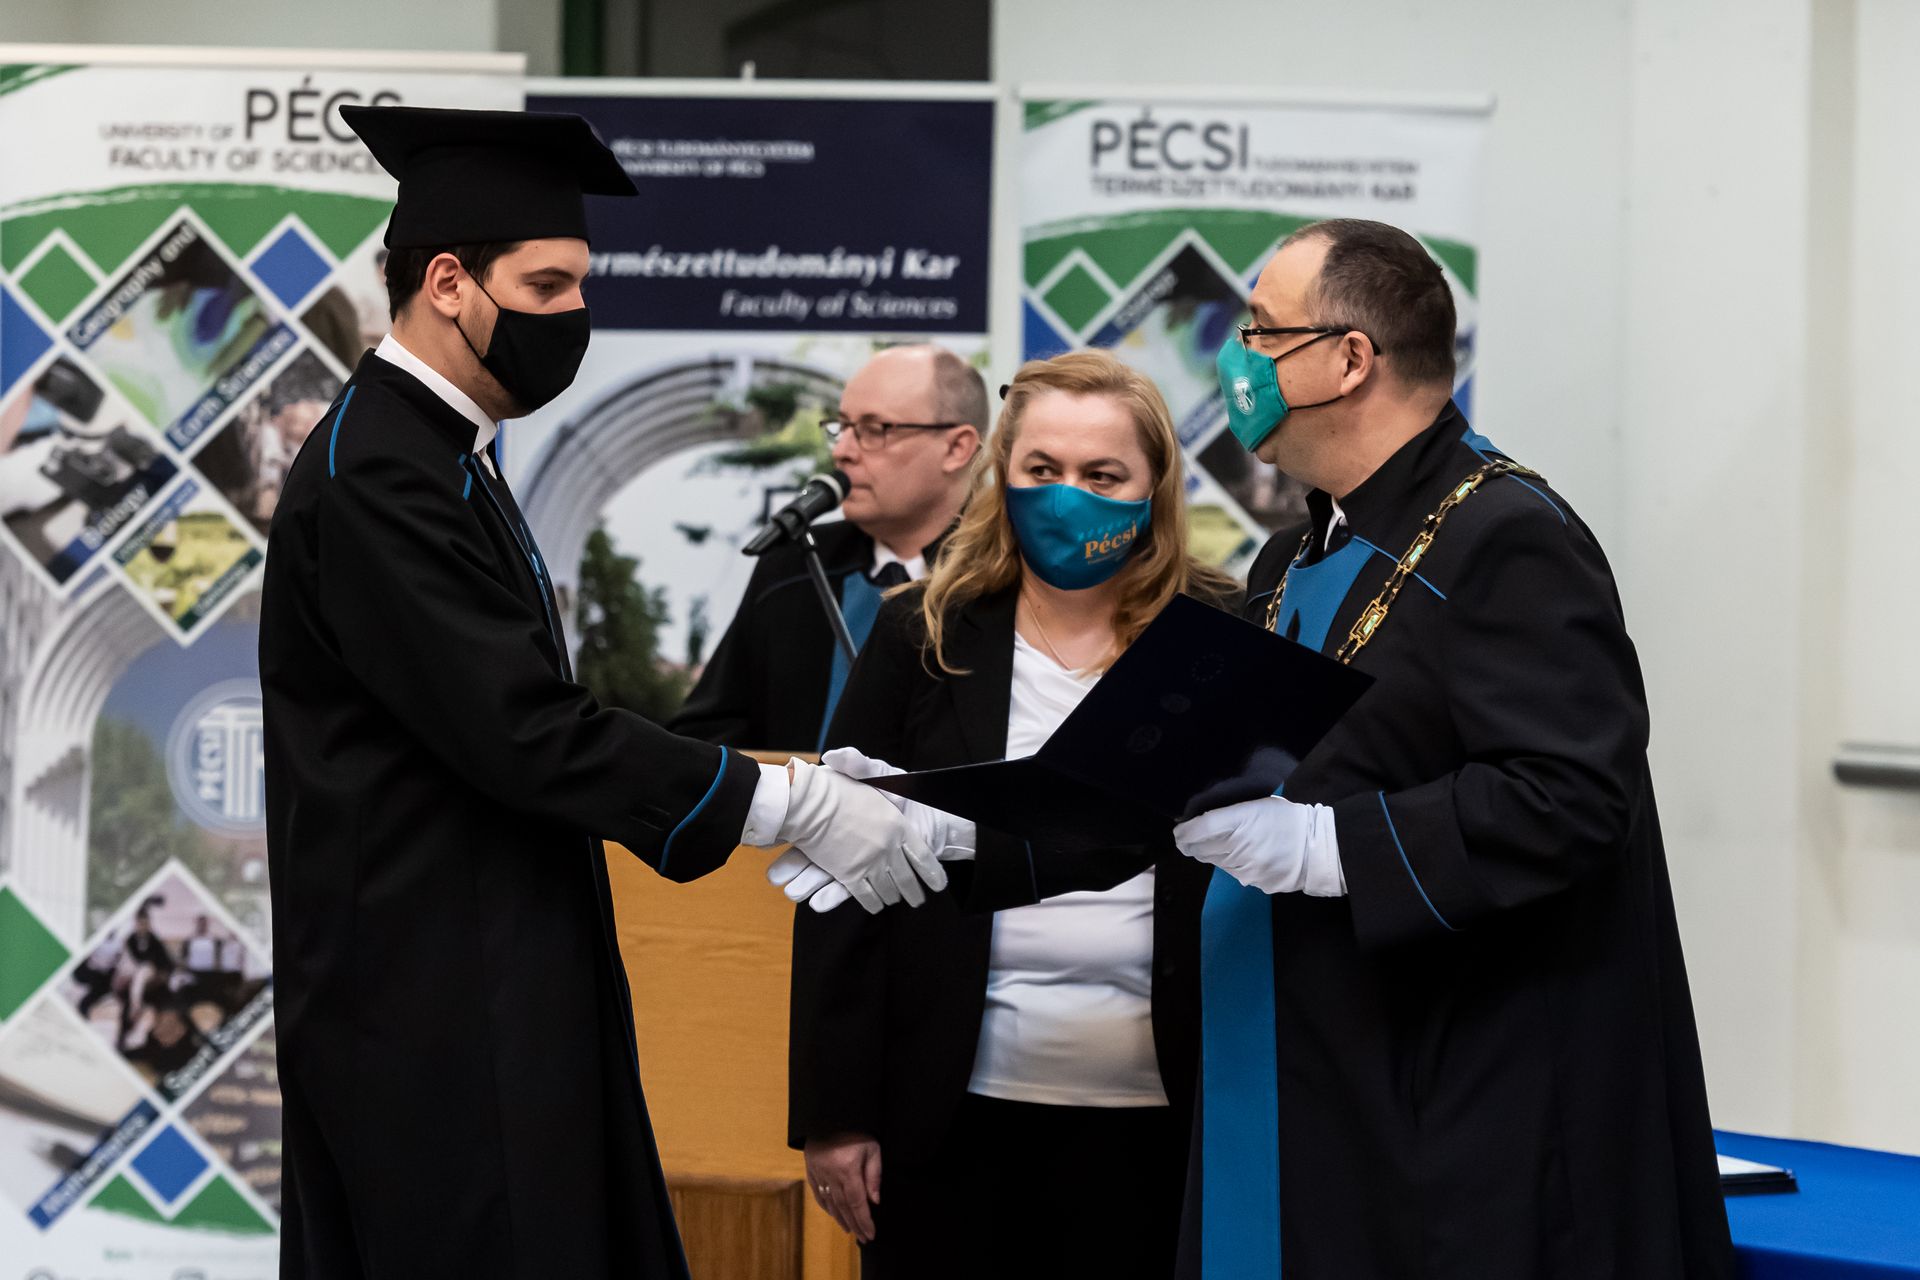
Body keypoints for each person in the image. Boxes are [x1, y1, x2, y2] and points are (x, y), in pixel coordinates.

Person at [259, 105, 945, 1280]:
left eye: (581, 283)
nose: (574, 312)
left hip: (479, 969)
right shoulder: (380, 472)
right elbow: (524, 728)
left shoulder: (440, 451)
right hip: (431, 998)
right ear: (448, 282)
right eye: (548, 284)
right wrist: (790, 803)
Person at [781, 351, 1234, 1280]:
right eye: (1042, 468)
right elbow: (842, 875)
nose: (1067, 497)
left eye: (1102, 475)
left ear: (1154, 489)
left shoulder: (1223, 638)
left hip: (1166, 1122)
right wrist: (833, 1113)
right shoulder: (920, 633)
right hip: (946, 1114)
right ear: (1002, 472)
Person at [670, 343, 985, 751]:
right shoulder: (793, 565)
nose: (841, 451)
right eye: (842, 427)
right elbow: (705, 732)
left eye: (875, 429)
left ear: (957, 448)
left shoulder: (1004, 576)